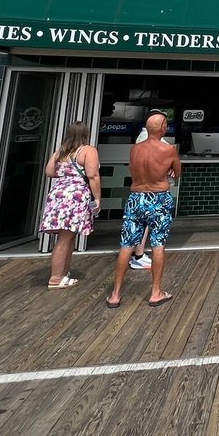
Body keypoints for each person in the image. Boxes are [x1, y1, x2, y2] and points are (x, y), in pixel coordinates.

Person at [106, 113, 181, 308]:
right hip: (159, 198)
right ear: (163, 128)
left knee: (126, 245)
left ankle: (115, 294)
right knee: (158, 244)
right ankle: (156, 292)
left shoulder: (135, 150)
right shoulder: (169, 150)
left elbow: (136, 170)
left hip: (136, 197)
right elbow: (177, 172)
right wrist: (168, 169)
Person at [39, 121, 100, 288]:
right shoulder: (88, 150)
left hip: (58, 194)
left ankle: (63, 273)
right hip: (76, 195)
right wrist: (98, 199)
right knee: (65, 238)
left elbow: (49, 171)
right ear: (86, 134)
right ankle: (56, 278)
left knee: (68, 236)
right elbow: (92, 175)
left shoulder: (62, 151)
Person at [129, 108, 168, 270]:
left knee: (139, 223)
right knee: (145, 224)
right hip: (151, 190)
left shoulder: (143, 138)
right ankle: (138, 255)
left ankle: (136, 254)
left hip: (142, 188)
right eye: (164, 122)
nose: (166, 126)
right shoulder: (147, 138)